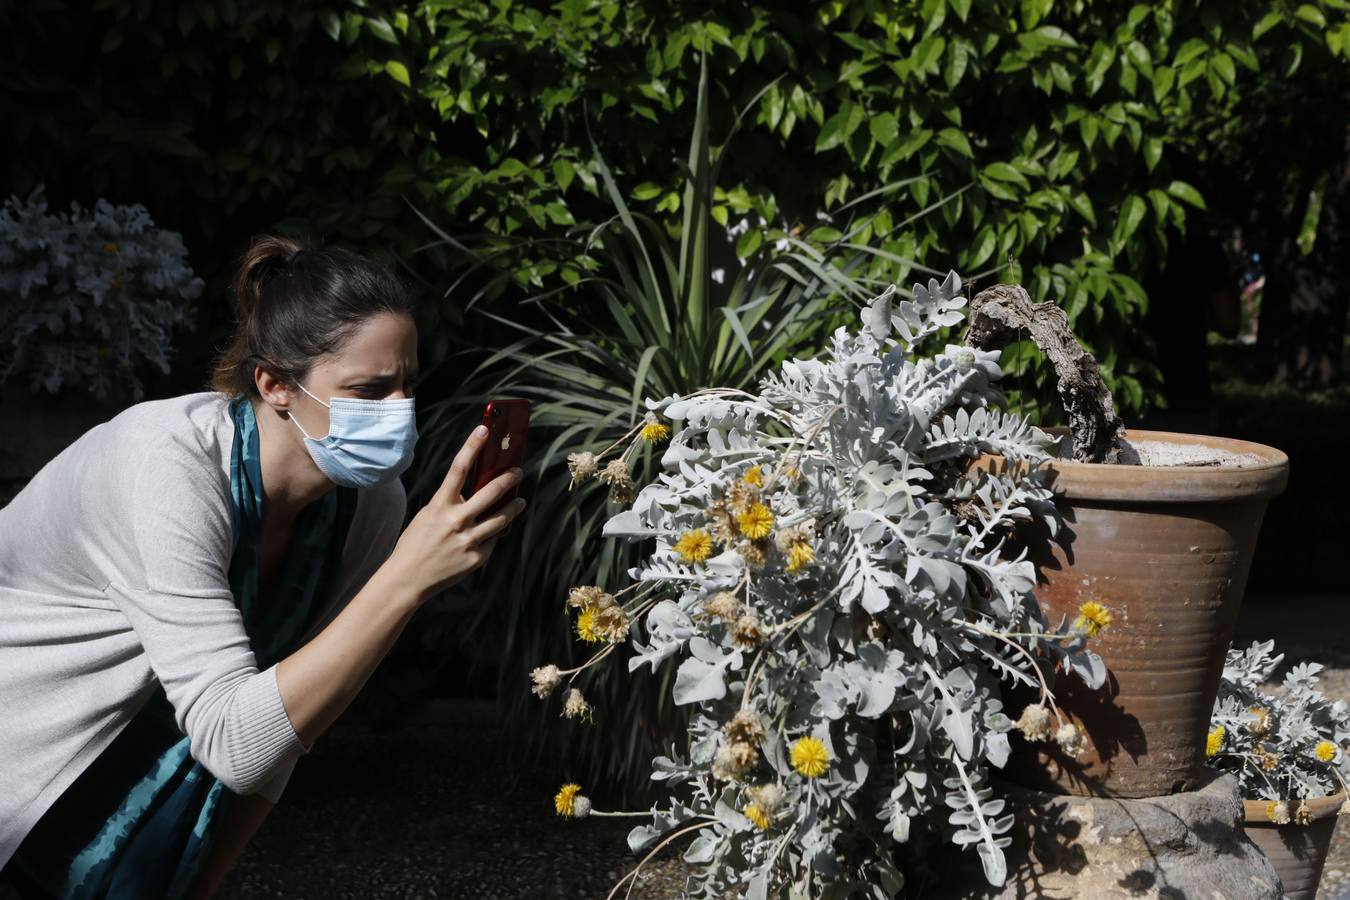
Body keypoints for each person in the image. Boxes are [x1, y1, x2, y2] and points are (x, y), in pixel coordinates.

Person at [0, 234, 525, 898]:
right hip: (22, 772)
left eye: (407, 386)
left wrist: (201, 882)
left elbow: (288, 725)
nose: (400, 414)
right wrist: (406, 579)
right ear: (274, 383)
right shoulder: (165, 466)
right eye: (368, 391)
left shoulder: (369, 505)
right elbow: (231, 738)